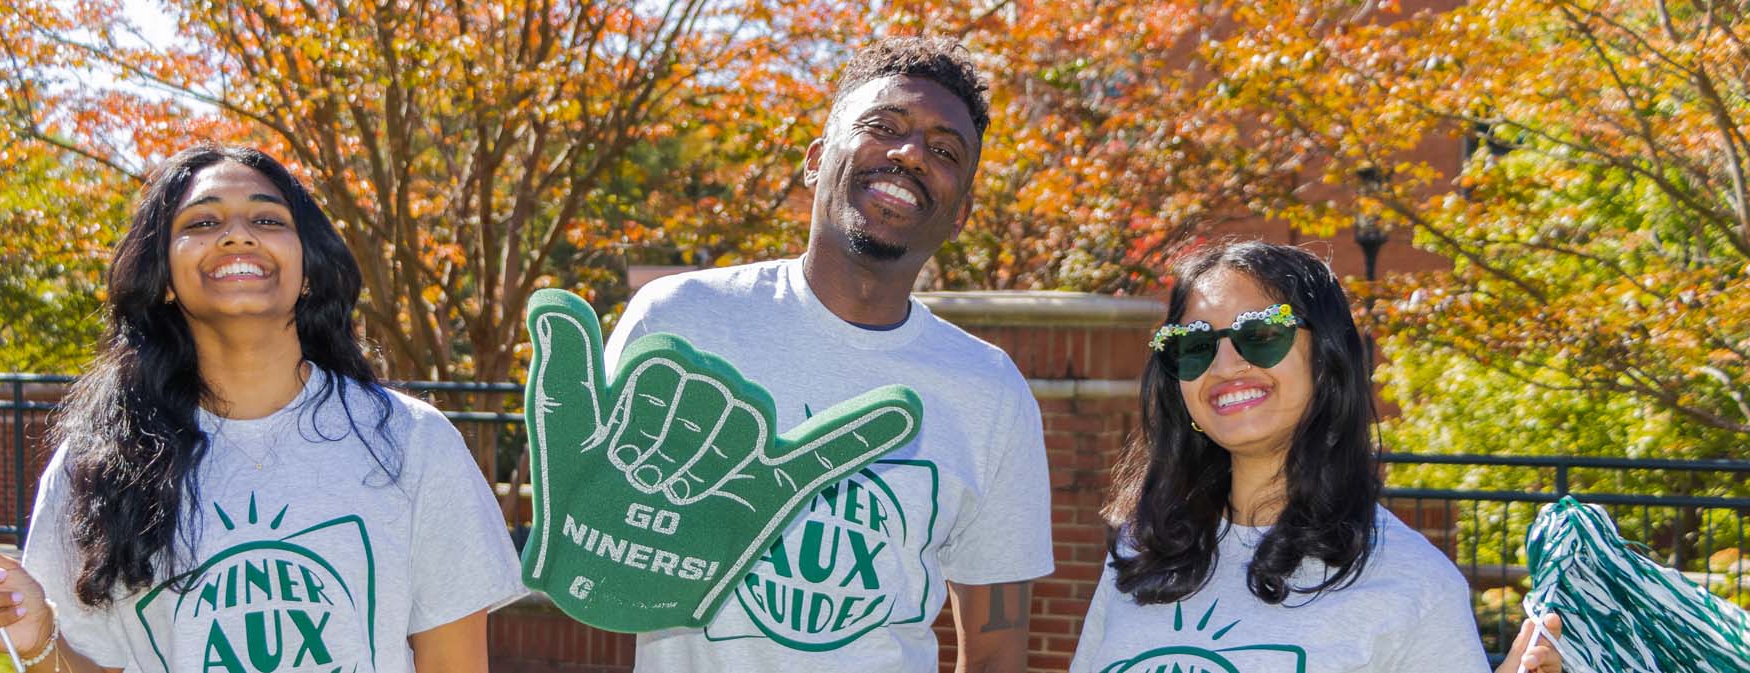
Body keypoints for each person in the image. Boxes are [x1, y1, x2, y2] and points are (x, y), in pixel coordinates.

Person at [0, 145, 524, 673]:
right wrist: (41, 641)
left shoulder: (410, 441)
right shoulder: (98, 464)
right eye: (202, 223)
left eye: (269, 220)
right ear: (163, 280)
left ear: (308, 271)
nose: (236, 236)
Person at [602, 37, 1051, 672]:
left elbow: (998, 651)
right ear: (816, 160)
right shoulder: (679, 323)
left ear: (961, 214)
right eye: (883, 126)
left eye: (944, 150)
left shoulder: (989, 391)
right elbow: (591, 547)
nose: (910, 154)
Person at [1069, 241, 1562, 673]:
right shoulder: (1141, 551)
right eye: (1194, 345)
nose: (1224, 365)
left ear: (1326, 361)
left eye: (1261, 333)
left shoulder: (1413, 582)